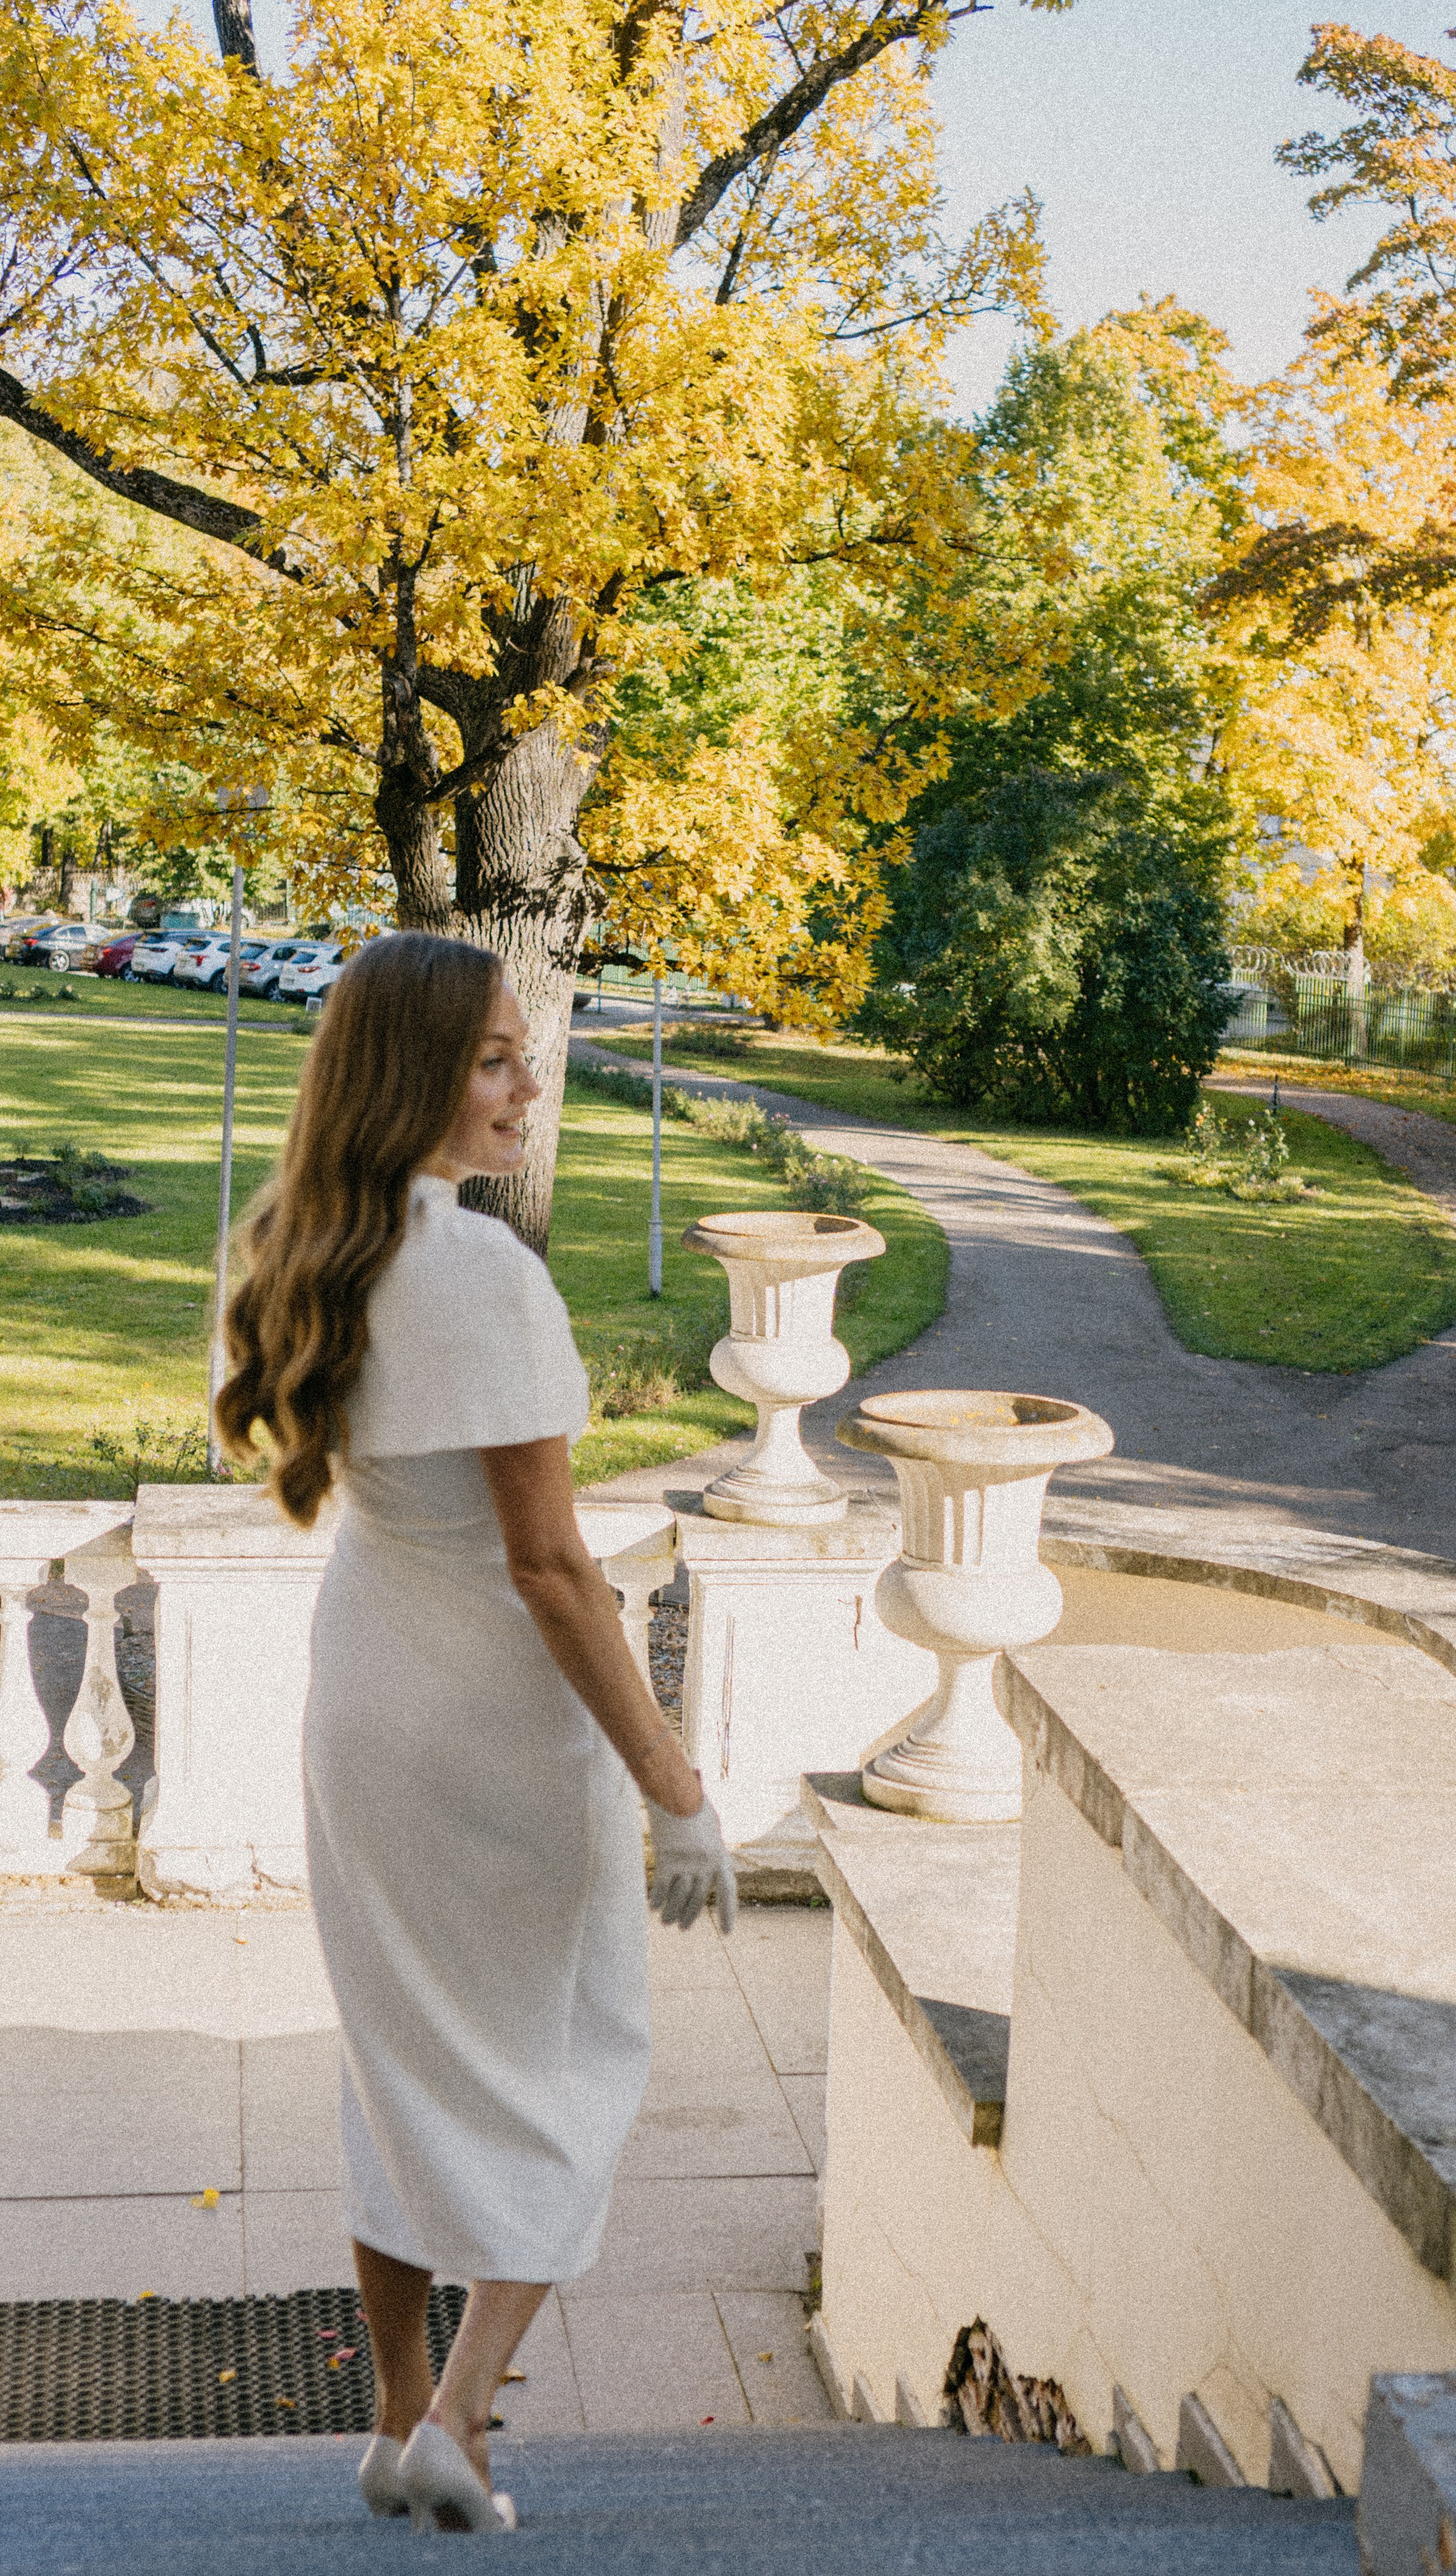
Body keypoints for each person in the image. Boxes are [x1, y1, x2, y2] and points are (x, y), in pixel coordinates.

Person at [217, 931, 735, 2534]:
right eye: (496, 1058)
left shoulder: (307, 1246)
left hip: (367, 1700)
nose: (528, 1084)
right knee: (569, 2062)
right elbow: (552, 1567)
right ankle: (457, 2418)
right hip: (494, 1734)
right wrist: (676, 1787)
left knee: (397, 2069)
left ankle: (390, 2426)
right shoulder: (483, 1274)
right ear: (415, 1075)